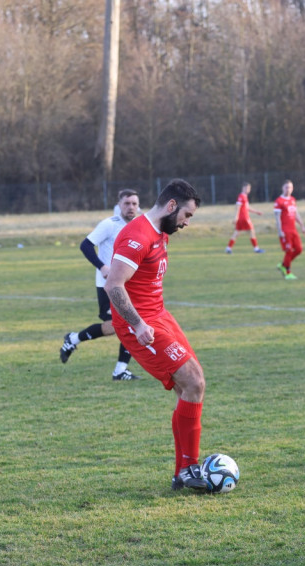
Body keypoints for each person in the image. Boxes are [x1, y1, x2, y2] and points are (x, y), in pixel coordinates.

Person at [104, 178, 209, 491]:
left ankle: (183, 472)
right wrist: (137, 324)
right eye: (186, 216)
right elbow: (113, 285)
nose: (186, 223)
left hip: (160, 316)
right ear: (172, 206)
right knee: (193, 382)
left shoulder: (160, 232)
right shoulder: (137, 235)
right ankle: (188, 468)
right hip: (139, 324)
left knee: (192, 385)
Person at [59, 189, 142, 381]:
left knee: (122, 324)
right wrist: (102, 266)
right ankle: (75, 340)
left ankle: (118, 369)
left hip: (128, 284)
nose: (131, 207)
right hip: (108, 285)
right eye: (127, 203)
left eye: (134, 204)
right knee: (122, 325)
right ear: (119, 205)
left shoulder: (139, 225)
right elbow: (85, 245)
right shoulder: (109, 225)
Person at [274, 180, 305, 280]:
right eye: (286, 187)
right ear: (282, 188)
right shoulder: (279, 201)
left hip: (293, 230)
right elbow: (277, 217)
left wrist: (302, 225)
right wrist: (280, 231)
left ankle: (283, 264)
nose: (288, 189)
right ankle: (287, 272)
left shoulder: (292, 199)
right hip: (285, 230)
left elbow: (296, 214)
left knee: (299, 249)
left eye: (290, 187)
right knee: (288, 250)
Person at [225, 182, 264, 254]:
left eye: (249, 188)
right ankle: (256, 249)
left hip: (242, 218)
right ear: (243, 188)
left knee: (236, 233)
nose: (248, 190)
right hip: (244, 218)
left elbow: (247, 208)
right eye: (246, 188)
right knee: (252, 231)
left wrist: (256, 212)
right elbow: (237, 206)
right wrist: (236, 217)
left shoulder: (245, 196)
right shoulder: (241, 196)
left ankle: (228, 248)